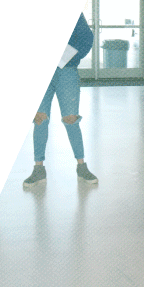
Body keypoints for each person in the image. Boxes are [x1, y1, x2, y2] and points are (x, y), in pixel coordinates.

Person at [23, 12, 97, 187]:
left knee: (71, 119)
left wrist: (68, 56)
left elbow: (86, 38)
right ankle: (38, 169)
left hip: (67, 70)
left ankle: (81, 167)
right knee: (40, 118)